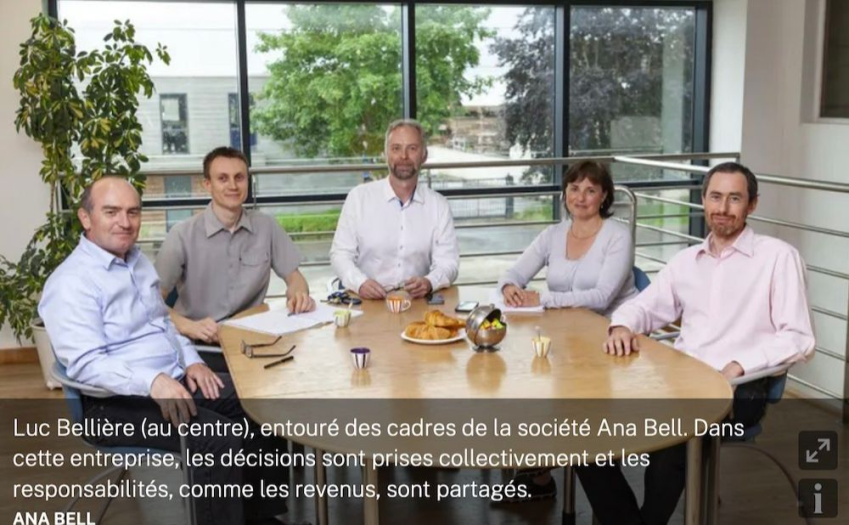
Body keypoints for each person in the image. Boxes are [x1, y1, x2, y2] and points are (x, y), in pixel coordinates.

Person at [39, 177, 299, 525]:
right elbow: (86, 364)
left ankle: (260, 519)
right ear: (86, 218)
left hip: (172, 379)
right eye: (111, 212)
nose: (125, 222)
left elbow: (163, 324)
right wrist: (153, 381)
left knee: (260, 403)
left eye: (132, 212)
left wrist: (192, 362)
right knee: (215, 437)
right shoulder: (71, 283)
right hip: (111, 402)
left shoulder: (136, 262)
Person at [578, 162, 816, 525]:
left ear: (752, 204)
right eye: (715, 197)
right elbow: (644, 306)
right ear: (703, 200)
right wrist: (622, 326)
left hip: (741, 388)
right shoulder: (686, 262)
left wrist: (742, 364)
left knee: (673, 442)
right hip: (680, 382)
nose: (723, 208)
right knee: (586, 433)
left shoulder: (778, 257)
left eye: (734, 198)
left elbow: (798, 337)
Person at [155, 146, 314, 347]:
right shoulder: (182, 235)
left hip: (252, 338)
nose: (233, 186)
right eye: (223, 178)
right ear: (207, 184)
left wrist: (299, 295)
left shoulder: (266, 226)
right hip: (199, 344)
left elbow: (295, 278)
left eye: (239, 178)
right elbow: (152, 302)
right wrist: (188, 326)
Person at [330, 119, 459, 300]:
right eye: (396, 148)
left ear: (424, 155)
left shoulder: (439, 205)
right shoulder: (359, 198)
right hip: (366, 302)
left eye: (412, 148)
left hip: (415, 304)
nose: (403, 157)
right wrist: (360, 283)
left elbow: (449, 263)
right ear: (386, 154)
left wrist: (429, 282)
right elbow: (340, 255)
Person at [497, 160, 638, 316]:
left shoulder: (618, 235)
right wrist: (508, 287)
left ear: (603, 196)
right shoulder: (553, 234)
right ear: (565, 192)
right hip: (569, 323)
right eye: (574, 189)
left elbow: (602, 298)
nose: (580, 198)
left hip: (616, 324)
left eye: (590, 191)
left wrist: (543, 299)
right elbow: (515, 273)